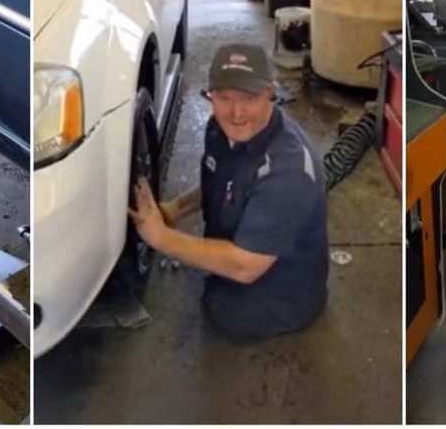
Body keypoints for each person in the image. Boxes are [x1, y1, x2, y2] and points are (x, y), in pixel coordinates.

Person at [128, 44, 329, 341]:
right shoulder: (221, 129)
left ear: (270, 95)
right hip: (244, 250)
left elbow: (245, 267)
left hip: (280, 295)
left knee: (226, 318)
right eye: (223, 98)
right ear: (211, 96)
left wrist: (161, 237)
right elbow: (221, 179)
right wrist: (175, 208)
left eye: (249, 98)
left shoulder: (288, 172)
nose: (236, 112)